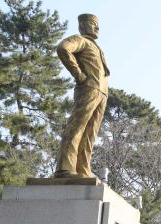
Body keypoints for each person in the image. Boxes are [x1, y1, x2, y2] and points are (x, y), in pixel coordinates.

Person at [55, 14, 110, 179]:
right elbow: (63, 48)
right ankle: (65, 168)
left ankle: (82, 169)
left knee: (90, 133)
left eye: (98, 24)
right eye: (93, 24)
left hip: (101, 93)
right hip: (88, 88)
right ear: (83, 25)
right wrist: (78, 74)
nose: (97, 27)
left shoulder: (97, 46)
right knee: (77, 126)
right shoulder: (80, 40)